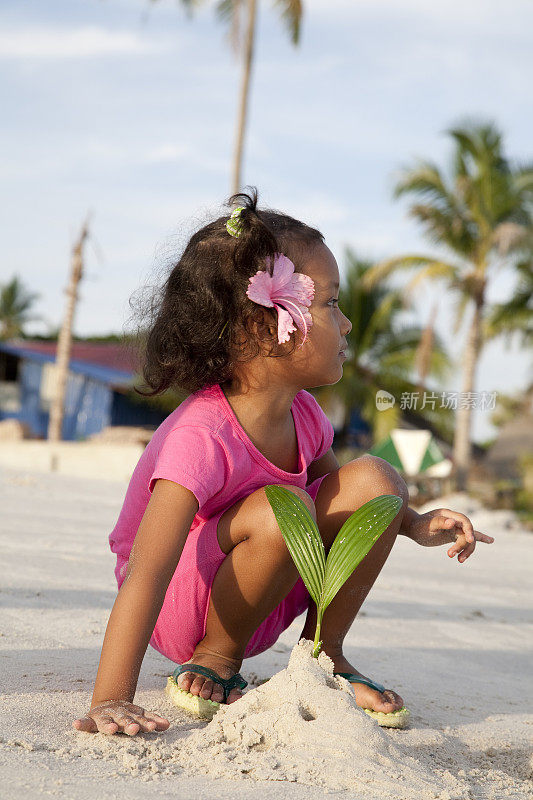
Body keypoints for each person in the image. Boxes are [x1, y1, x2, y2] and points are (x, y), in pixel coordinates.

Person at [72, 188, 494, 737]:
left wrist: (412, 522)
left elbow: (345, 503)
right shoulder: (200, 435)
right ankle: (217, 659)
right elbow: (147, 571)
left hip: (269, 585)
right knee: (282, 507)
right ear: (262, 324)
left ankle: (323, 657)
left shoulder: (307, 415)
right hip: (186, 604)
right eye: (331, 304)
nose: (345, 326)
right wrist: (112, 696)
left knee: (377, 479)